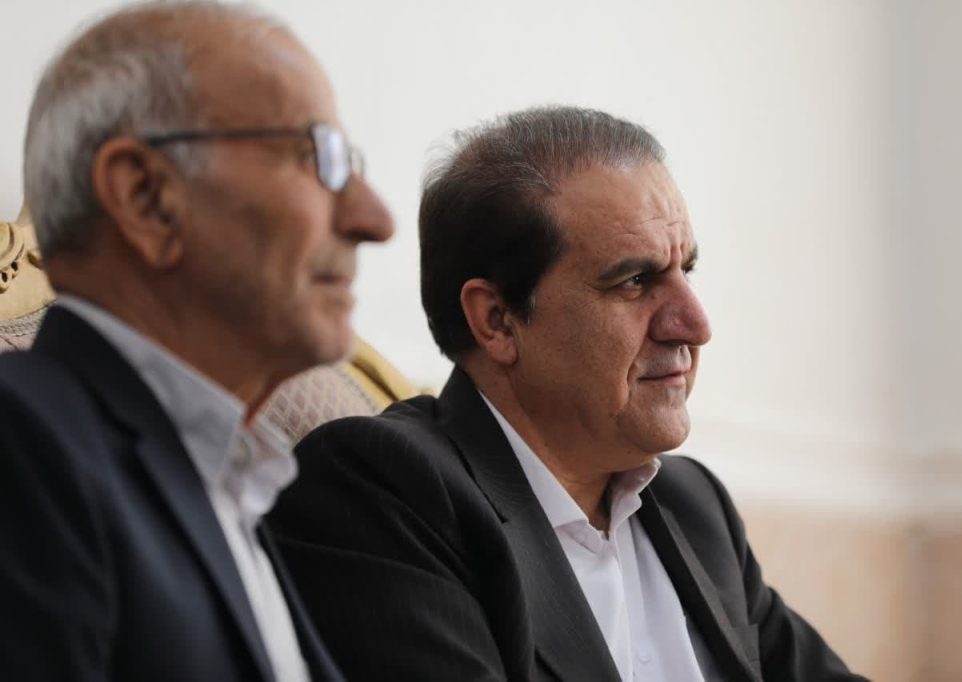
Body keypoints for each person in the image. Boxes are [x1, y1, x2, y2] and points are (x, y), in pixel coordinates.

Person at [269, 106, 868, 681]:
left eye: (685, 271)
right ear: (497, 321)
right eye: (635, 281)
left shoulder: (694, 505)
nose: (694, 324)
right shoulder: (386, 487)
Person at [0, 2, 393, 680]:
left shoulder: (232, 486)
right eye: (319, 158)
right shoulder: (21, 443)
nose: (375, 218)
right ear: (147, 198)